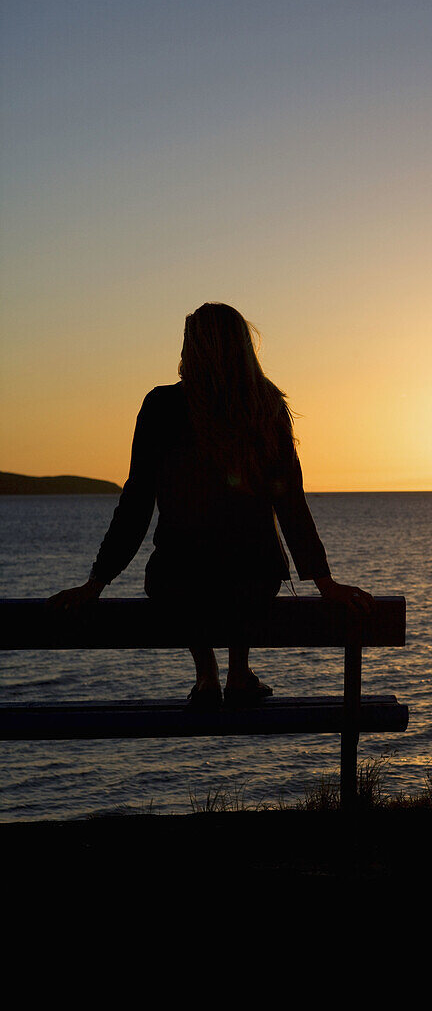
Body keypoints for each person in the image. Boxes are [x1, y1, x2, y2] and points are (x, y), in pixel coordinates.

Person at [47, 302, 374, 710]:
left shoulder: (161, 406)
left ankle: (206, 675)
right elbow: (290, 502)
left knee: (182, 571)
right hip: (253, 576)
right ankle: (239, 672)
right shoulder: (266, 407)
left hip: (178, 578)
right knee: (245, 565)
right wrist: (324, 582)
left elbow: (136, 502)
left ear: (193, 347)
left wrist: (97, 582)